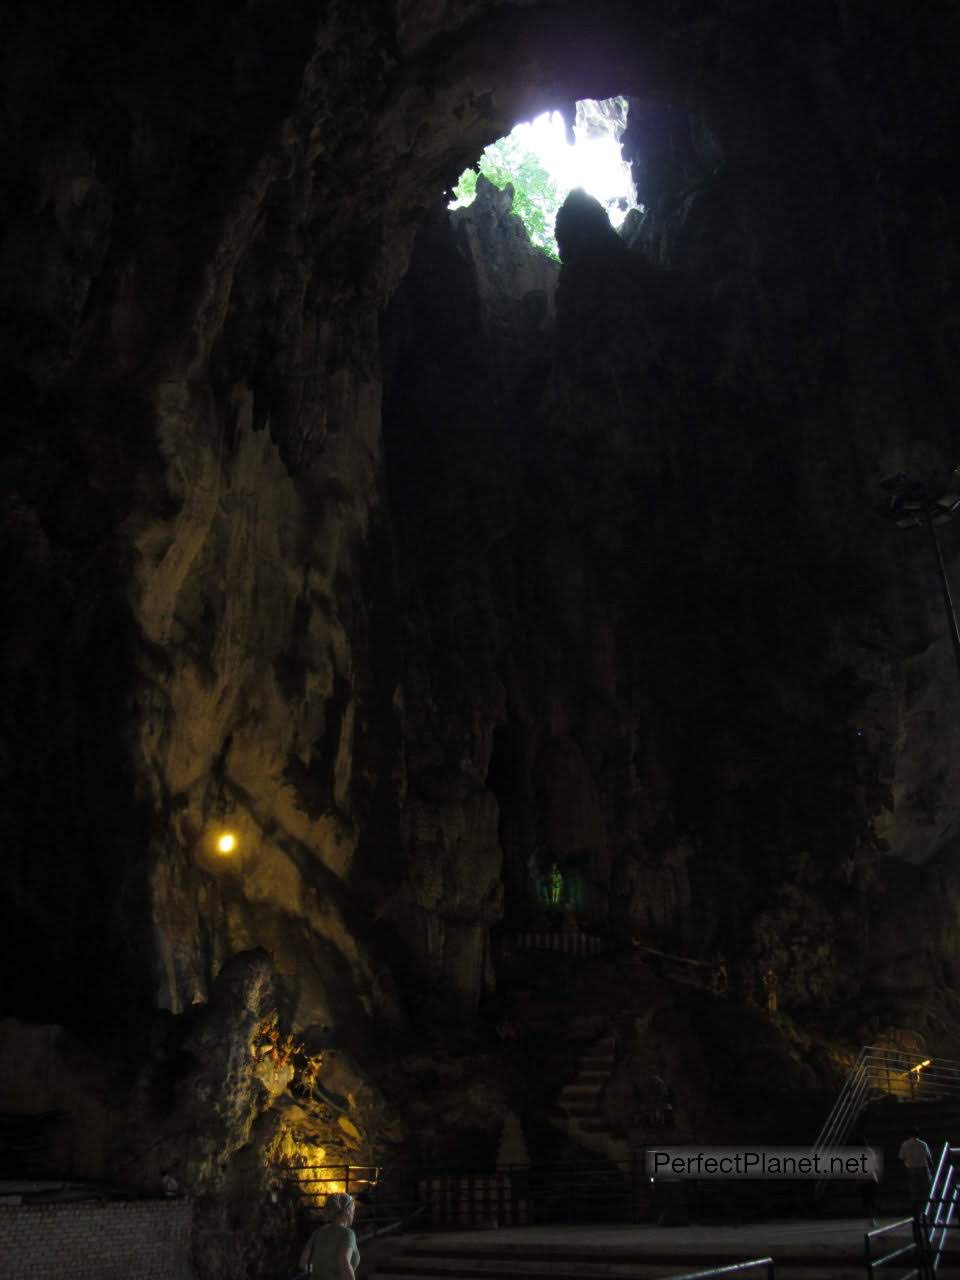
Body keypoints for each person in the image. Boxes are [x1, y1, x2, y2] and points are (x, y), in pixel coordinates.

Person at [299, 1192, 360, 1280]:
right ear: (347, 1211)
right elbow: (344, 1263)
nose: (354, 1214)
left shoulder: (317, 1233)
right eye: (353, 1210)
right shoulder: (347, 1234)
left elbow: (303, 1262)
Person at [899, 1126, 932, 1210]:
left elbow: (902, 1158)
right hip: (922, 1168)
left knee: (914, 1192)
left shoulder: (905, 1144)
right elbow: (928, 1157)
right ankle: (926, 1209)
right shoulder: (922, 1144)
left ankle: (916, 1211)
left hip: (911, 1169)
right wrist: (933, 1169)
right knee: (925, 1191)